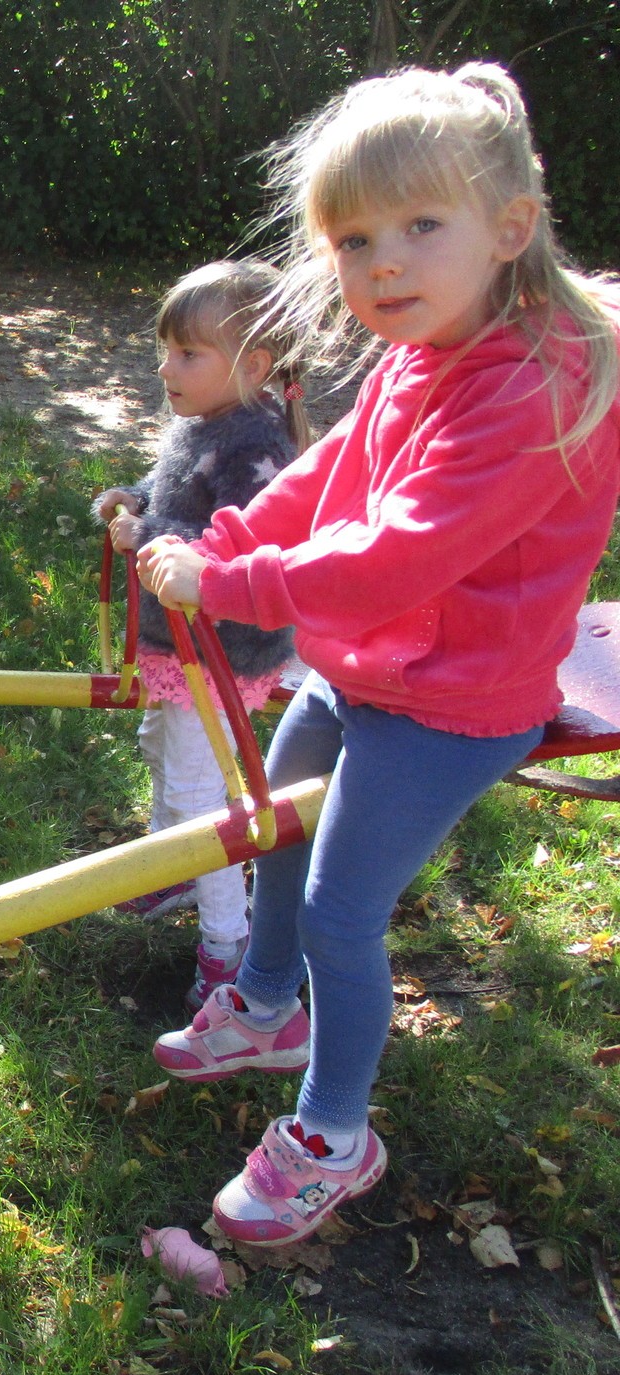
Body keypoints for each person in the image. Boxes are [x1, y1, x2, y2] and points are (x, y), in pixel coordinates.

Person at [141, 62, 620, 1245]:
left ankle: (333, 1135)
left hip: (457, 699)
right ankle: (264, 1005)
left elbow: (400, 556)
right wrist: (231, 535)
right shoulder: (430, 345)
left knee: (343, 913)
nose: (383, 265)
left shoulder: (527, 386)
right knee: (275, 829)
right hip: (370, 667)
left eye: (420, 227)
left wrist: (233, 584)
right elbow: (333, 470)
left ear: (510, 227)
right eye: (355, 242)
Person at [94, 259, 307, 1009]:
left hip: (221, 650)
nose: (166, 368)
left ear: (253, 366)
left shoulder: (255, 447)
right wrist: (135, 499)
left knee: (201, 794)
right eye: (167, 350)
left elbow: (240, 545)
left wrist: (149, 530)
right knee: (160, 748)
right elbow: (179, 496)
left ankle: (228, 942)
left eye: (188, 353)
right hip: (179, 643)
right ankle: (174, 868)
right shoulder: (203, 425)